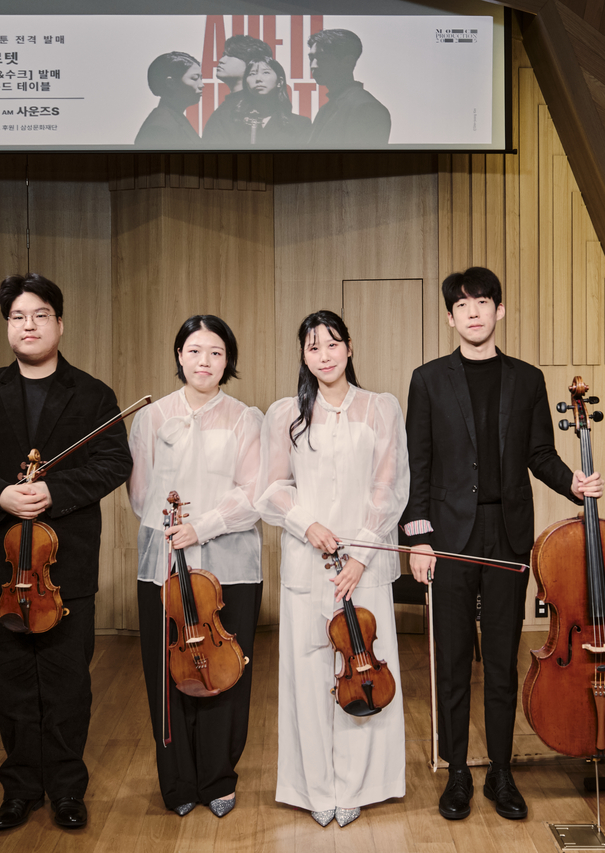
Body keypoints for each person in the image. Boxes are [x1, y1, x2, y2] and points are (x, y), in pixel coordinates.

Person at [401, 267, 603, 822]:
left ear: (500, 310)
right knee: (452, 661)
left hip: (508, 535)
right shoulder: (428, 379)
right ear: (450, 317)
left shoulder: (527, 378)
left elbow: (539, 454)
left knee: (501, 662)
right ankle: (458, 772)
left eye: (483, 302)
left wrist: (573, 483)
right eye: (462, 305)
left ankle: (501, 771)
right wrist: (418, 538)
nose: (473, 312)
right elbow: (418, 463)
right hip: (448, 537)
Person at [0, 273, 133, 832]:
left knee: (67, 682)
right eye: (17, 317)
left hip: (63, 565)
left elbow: (113, 463)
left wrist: (55, 491)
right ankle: (21, 789)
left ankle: (68, 789)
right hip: (0, 565)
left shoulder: (93, 394)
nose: (28, 325)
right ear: (8, 326)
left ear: (59, 323)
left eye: (39, 315)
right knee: (8, 683)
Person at [257, 310, 408, 828]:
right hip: (308, 560)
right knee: (310, 674)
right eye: (313, 346)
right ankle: (315, 787)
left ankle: (360, 786)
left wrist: (362, 554)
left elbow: (390, 488)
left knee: (363, 673)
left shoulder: (381, 408)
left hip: (364, 563)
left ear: (349, 347)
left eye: (332, 343)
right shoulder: (285, 414)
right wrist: (307, 524)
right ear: (303, 355)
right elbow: (271, 488)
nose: (324, 354)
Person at [126, 315, 264, 820]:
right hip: (164, 565)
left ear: (228, 361)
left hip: (231, 567)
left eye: (216, 352)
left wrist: (202, 527)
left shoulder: (246, 418)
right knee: (168, 672)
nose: (204, 361)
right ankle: (178, 780)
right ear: (179, 356)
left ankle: (219, 776)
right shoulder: (151, 418)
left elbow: (254, 494)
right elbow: (141, 495)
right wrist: (175, 532)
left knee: (226, 670)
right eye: (194, 351)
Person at [306, 29, 391, 146]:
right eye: (311, 58)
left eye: (323, 58)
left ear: (348, 61)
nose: (313, 65)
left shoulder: (366, 108)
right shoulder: (326, 108)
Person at [204, 58, 311, 147]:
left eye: (266, 72)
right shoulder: (226, 120)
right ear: (246, 83)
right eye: (252, 74)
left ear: (280, 82)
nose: (258, 79)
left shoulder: (300, 125)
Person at [202, 34, 274, 143]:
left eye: (231, 56)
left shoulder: (250, 109)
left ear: (251, 64)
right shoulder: (234, 105)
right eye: (223, 55)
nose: (221, 60)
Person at [135, 52, 204, 148]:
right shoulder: (159, 128)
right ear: (170, 83)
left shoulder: (174, 118)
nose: (201, 85)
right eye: (194, 78)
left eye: (201, 78)